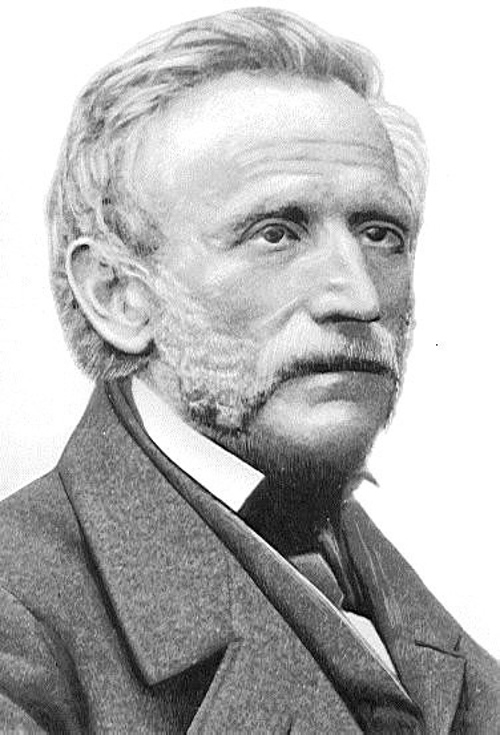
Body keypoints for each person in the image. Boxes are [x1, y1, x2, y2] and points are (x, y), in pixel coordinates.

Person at [0, 7, 498, 733]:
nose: (359, 297)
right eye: (275, 234)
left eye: (380, 233)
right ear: (118, 295)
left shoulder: (399, 603)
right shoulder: (19, 621)